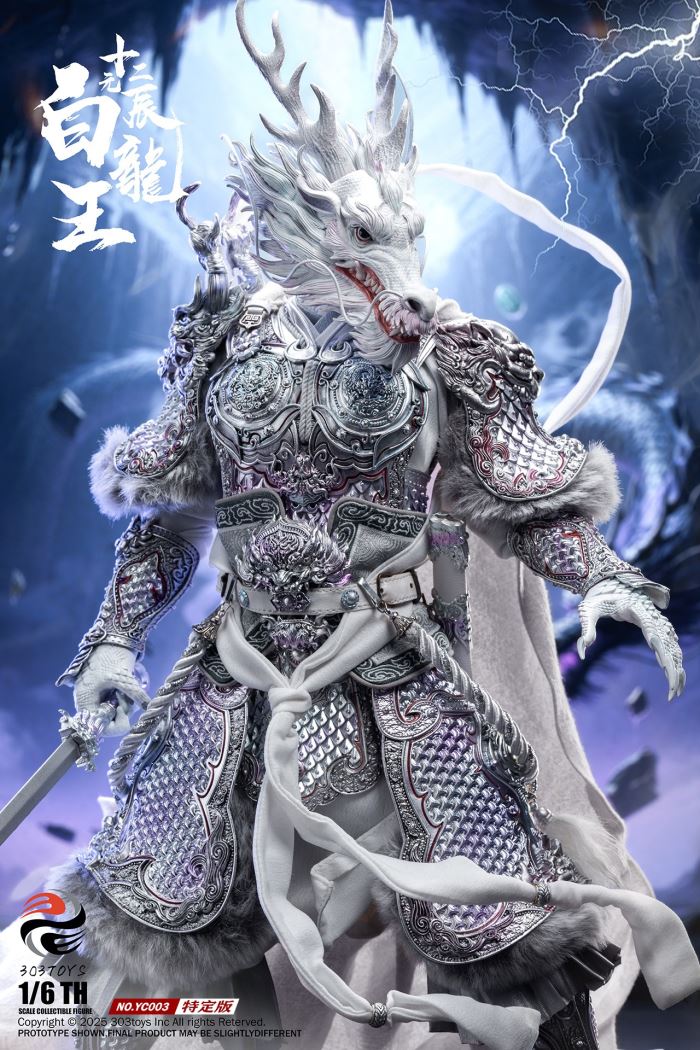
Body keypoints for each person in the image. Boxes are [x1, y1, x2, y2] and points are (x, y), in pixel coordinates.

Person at [49, 3, 698, 1047]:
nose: (393, 266)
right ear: (295, 223)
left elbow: (520, 495)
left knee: (506, 924)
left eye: (399, 236)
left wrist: (607, 575)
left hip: (398, 669)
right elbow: (169, 518)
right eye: (361, 237)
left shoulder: (451, 347)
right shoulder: (220, 344)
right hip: (238, 676)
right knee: (149, 914)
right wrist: (115, 641)